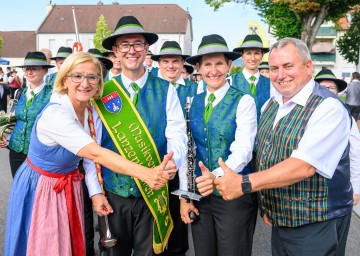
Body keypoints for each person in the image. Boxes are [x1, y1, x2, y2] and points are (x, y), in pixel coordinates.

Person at [4, 52, 173, 256]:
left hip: (67, 184)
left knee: (66, 245)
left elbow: (87, 158)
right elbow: (96, 154)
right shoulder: (56, 115)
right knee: (45, 246)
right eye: (77, 76)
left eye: (92, 77)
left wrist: (95, 193)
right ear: (65, 79)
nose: (85, 83)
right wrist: (146, 173)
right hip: (43, 187)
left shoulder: (89, 110)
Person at [206, 38, 353, 256]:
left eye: (288, 66)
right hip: (281, 221)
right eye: (274, 68)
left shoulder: (328, 107)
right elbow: (266, 155)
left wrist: (244, 183)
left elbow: (303, 166)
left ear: (308, 66)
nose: (280, 74)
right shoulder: (271, 105)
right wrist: (267, 205)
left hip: (317, 222)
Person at [95, 15, 187, 255]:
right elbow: (92, 148)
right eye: (124, 45)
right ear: (115, 51)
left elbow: (177, 134)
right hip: (115, 193)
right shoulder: (103, 92)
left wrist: (173, 163)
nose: (131, 50)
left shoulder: (165, 89)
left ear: (147, 49)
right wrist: (95, 192)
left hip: (153, 189)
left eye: (137, 44)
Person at [185, 34, 258, 256]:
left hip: (234, 195)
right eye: (207, 64)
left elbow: (244, 150)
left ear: (229, 65)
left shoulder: (244, 101)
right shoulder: (193, 102)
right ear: (198, 67)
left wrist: (213, 176)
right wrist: (188, 193)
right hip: (202, 194)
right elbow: (189, 149)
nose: (213, 70)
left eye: (219, 64)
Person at [151, 40, 199, 256]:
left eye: (175, 61)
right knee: (154, 222)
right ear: (159, 64)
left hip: (186, 164)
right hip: (155, 162)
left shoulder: (195, 89)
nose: (170, 66)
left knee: (181, 223)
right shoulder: (151, 86)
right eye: (165, 61)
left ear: (182, 64)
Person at [0, 51, 54, 177]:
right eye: (27, 69)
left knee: (37, 192)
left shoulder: (52, 94)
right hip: (15, 151)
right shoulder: (19, 92)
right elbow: (15, 118)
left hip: (40, 153)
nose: (29, 72)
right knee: (19, 189)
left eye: (34, 69)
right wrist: (2, 135)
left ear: (45, 71)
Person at [314, 68, 360, 205]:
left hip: (337, 186)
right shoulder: (303, 112)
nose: (327, 91)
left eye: (331, 88)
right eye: (323, 87)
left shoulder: (346, 115)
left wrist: (356, 188)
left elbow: (355, 151)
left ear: (337, 91)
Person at [232, 34, 270, 120]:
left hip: (263, 132)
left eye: (257, 53)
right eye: (248, 53)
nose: (253, 58)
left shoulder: (272, 84)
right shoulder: (229, 81)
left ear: (262, 55)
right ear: (242, 55)